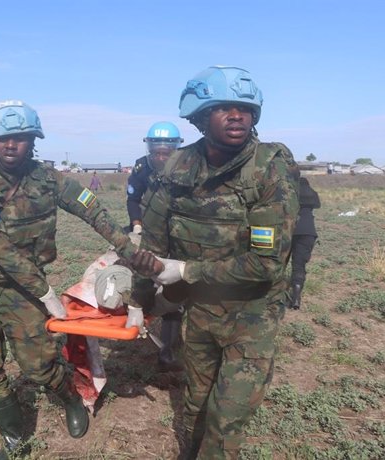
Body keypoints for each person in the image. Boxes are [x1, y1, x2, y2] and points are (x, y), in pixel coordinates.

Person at [129, 66, 300, 459]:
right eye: (223, 108)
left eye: (243, 108)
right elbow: (152, 245)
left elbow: (266, 264)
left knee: (227, 415)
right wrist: (141, 302)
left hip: (252, 313)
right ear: (201, 117)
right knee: (195, 400)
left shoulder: (268, 167)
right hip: (202, 309)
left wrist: (187, 271)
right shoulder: (178, 167)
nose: (236, 115)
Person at [0, 100, 138, 459]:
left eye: (21, 138)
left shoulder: (49, 180)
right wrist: (46, 291)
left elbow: (91, 208)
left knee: (39, 366)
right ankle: (13, 440)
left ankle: (70, 398)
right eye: (4, 138)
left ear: (33, 140)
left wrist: (127, 247)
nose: (11, 145)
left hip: (24, 292)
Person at [127, 121, 185, 371]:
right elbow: (132, 199)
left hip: (178, 231)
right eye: (156, 151)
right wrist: (136, 225)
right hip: (148, 229)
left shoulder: (188, 166)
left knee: (174, 288)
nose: (160, 156)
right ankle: (139, 314)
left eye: (166, 152)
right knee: (144, 276)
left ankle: (170, 349)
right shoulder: (141, 167)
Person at [290, 176, 320, 309]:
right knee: (299, 265)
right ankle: (296, 298)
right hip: (308, 232)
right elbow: (317, 205)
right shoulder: (313, 194)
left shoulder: (292, 193)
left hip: (290, 230)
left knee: (278, 263)